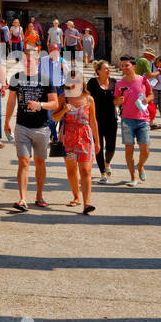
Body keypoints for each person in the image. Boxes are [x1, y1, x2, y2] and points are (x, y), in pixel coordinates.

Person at [5, 54, 58, 212]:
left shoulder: (46, 80)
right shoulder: (16, 78)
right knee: (23, 162)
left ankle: (39, 196)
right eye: (25, 61)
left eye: (30, 61)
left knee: (40, 162)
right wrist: (7, 121)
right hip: (22, 127)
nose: (27, 63)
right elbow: (11, 101)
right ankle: (22, 199)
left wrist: (40, 104)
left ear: (37, 62)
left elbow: (55, 103)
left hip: (41, 128)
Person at [53, 68, 100, 214]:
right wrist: (63, 111)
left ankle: (87, 204)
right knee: (72, 170)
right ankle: (76, 196)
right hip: (69, 139)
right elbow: (55, 118)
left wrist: (97, 141)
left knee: (85, 170)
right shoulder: (63, 98)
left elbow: (93, 121)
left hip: (85, 138)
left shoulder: (89, 99)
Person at [115, 55, 154, 185]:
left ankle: (140, 165)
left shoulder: (143, 80)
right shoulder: (119, 84)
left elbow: (151, 94)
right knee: (129, 149)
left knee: (145, 150)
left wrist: (146, 100)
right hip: (127, 119)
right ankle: (133, 177)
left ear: (134, 66)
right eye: (122, 66)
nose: (124, 68)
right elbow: (115, 101)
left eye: (127, 65)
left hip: (143, 118)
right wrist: (117, 101)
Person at [87, 61, 118, 182]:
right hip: (96, 119)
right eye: (105, 69)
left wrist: (119, 101)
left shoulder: (114, 82)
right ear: (98, 70)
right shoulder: (92, 83)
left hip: (111, 119)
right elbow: (87, 98)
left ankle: (107, 162)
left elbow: (117, 97)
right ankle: (103, 173)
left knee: (111, 148)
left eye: (109, 68)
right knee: (98, 146)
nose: (108, 70)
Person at [39, 43, 66, 142]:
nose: (53, 53)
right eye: (51, 50)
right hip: (49, 90)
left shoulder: (63, 61)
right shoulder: (43, 60)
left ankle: (61, 137)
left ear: (58, 51)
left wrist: (63, 67)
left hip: (61, 90)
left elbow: (69, 76)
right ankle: (53, 136)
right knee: (50, 116)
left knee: (62, 116)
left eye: (55, 50)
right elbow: (39, 74)